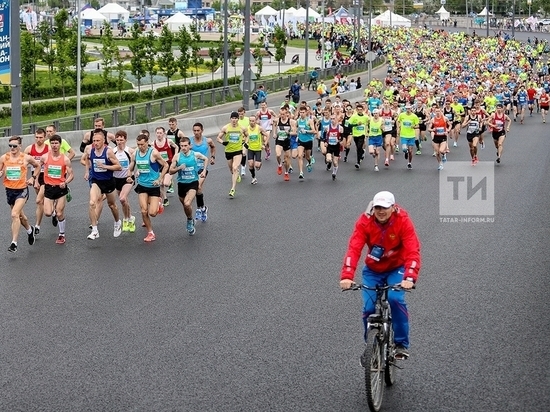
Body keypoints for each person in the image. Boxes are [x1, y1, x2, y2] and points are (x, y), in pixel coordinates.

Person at [339, 191, 421, 360]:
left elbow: (412, 250)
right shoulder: (365, 222)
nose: (381, 211)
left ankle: (400, 344)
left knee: (395, 299)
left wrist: (409, 277)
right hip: (373, 270)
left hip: (396, 268)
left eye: (384, 208)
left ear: (393, 207)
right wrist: (347, 275)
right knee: (369, 308)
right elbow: (354, 248)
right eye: (377, 207)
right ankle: (371, 349)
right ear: (373, 207)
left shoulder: (403, 221)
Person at [0, 136, 40, 252]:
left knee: (14, 214)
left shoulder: (26, 158)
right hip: (9, 190)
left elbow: (37, 166)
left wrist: (33, 178)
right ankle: (29, 230)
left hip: (22, 190)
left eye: (15, 146)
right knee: (20, 216)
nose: (12, 148)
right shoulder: (4, 158)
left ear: (20, 146)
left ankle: (14, 243)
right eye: (10, 146)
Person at [81, 129, 123, 240]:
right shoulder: (90, 150)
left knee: (112, 205)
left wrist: (105, 167)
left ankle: (117, 223)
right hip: (96, 181)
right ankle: (95, 230)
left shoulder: (108, 151)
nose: (96, 143)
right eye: (94, 140)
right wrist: (87, 171)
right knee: (92, 203)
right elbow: (86, 159)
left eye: (98, 140)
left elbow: (118, 166)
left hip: (108, 181)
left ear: (103, 141)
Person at [34, 134, 74, 244]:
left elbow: (71, 175)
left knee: (60, 212)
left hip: (60, 188)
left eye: (56, 143)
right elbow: (37, 167)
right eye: (52, 143)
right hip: (48, 188)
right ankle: (53, 213)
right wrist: (35, 179)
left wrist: (65, 182)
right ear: (50, 144)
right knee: (47, 212)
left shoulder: (65, 159)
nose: (54, 145)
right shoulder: (45, 157)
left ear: (60, 144)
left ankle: (62, 234)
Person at [129, 133, 169, 242]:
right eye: (138, 144)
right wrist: (130, 176)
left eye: (142, 144)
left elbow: (166, 165)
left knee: (153, 213)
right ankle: (150, 233)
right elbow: (131, 167)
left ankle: (159, 203)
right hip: (142, 185)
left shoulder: (154, 153)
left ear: (147, 143)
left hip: (153, 186)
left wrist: (160, 179)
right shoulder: (135, 153)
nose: (140, 147)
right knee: (143, 211)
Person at [169, 137, 208, 236]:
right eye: (181, 146)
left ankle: (190, 221)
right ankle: (190, 218)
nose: (183, 148)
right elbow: (170, 171)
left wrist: (203, 170)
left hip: (193, 183)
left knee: (187, 204)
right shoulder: (177, 157)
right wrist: (178, 168)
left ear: (190, 146)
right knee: (186, 206)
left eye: (185, 145)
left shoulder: (195, 155)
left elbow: (205, 159)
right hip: (181, 184)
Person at [216, 111, 248, 198]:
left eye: (235, 118)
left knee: (235, 167)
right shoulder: (226, 128)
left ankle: (233, 189)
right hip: (228, 151)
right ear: (230, 119)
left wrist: (245, 144)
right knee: (231, 169)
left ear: (238, 119)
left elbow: (247, 135)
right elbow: (218, 138)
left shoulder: (242, 128)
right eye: (232, 118)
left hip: (238, 150)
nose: (234, 120)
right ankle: (236, 175)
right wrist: (223, 142)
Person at [24, 128, 49, 236]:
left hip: (46, 176)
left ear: (45, 137)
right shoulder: (30, 148)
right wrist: (27, 177)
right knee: (41, 201)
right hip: (35, 176)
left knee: (38, 201)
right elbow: (23, 164)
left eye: (41, 137)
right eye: (37, 137)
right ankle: (51, 210)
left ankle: (37, 225)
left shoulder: (49, 149)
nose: (38, 139)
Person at [190, 122, 216, 221]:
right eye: (194, 131)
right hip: (191, 169)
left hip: (203, 168)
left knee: (198, 186)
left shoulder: (207, 141)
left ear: (202, 131)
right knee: (198, 189)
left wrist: (212, 157)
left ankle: (198, 209)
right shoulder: (190, 141)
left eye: (198, 130)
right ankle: (203, 208)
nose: (196, 132)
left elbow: (213, 147)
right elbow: (182, 151)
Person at [112, 130, 136, 232]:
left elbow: (136, 162)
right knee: (124, 201)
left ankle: (125, 219)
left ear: (125, 140)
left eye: (121, 140)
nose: (119, 142)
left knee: (122, 198)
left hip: (128, 179)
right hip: (116, 179)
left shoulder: (130, 151)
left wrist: (136, 172)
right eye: (117, 140)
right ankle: (130, 217)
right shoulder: (113, 151)